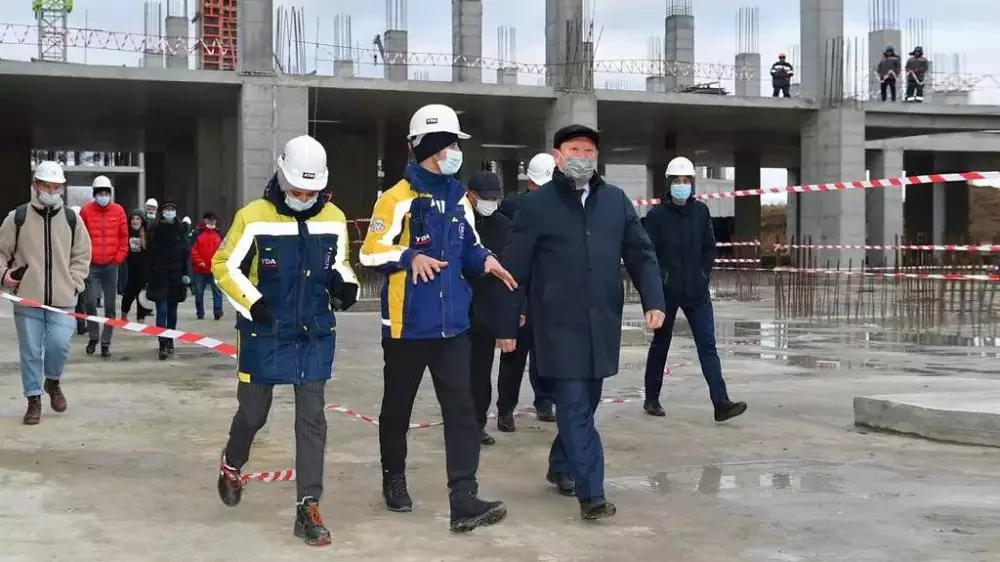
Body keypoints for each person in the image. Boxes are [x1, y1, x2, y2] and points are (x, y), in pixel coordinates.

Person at [495, 124, 666, 520]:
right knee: (573, 405)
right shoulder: (537, 206)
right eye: (574, 150)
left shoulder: (615, 201)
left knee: (585, 405)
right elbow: (513, 269)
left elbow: (641, 254)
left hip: (601, 321)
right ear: (558, 156)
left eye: (589, 152)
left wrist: (653, 300)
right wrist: (506, 326)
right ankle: (592, 494)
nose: (582, 158)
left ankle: (560, 465)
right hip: (557, 324)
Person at [359, 103, 516, 533]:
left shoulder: (458, 198)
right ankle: (394, 477)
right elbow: (369, 252)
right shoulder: (395, 199)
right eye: (450, 145)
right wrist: (409, 256)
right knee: (397, 409)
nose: (456, 153)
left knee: (462, 411)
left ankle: (463, 498)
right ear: (429, 146)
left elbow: (469, 246)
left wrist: (486, 260)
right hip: (407, 327)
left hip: (453, 327)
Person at [213, 135, 359, 547]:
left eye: (311, 192)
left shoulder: (333, 217)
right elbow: (223, 265)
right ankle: (232, 462)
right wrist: (253, 302)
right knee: (253, 414)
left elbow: (340, 264)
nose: (303, 198)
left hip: (314, 332)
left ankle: (308, 505)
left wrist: (345, 284)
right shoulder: (253, 217)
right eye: (297, 190)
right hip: (264, 331)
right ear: (282, 176)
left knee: (312, 419)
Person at [640, 156, 748, 423]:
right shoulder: (656, 216)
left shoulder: (701, 212)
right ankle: (651, 398)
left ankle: (721, 402)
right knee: (661, 343)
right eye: (676, 181)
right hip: (666, 293)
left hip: (697, 292)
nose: (681, 185)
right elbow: (647, 255)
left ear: (692, 183)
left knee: (707, 345)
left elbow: (709, 248)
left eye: (686, 180)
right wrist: (657, 286)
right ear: (668, 184)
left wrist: (702, 275)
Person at [0, 161, 91, 425]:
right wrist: (4, 275)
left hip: (63, 299)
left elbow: (82, 255)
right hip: (27, 298)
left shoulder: (72, 220)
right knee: (30, 351)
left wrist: (74, 283)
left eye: (56, 187)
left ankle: (52, 380)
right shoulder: (17, 218)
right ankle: (33, 399)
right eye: (46, 186)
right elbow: (1, 253)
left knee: (59, 346)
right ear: (35, 185)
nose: (51, 191)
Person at [494, 152, 556, 431]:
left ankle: (544, 401)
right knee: (514, 354)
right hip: (519, 288)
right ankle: (505, 409)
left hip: (547, 292)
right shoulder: (513, 207)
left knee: (546, 354)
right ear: (530, 183)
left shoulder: (560, 208)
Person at [464, 171, 512, 446]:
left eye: (495, 198)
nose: (490, 203)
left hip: (487, 310)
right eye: (485, 198)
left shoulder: (504, 226)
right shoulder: (459, 222)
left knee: (481, 372)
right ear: (471, 195)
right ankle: (460, 423)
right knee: (457, 372)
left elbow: (511, 271)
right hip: (458, 308)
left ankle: (477, 423)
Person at [78, 175, 129, 358]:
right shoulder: (86, 211)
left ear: (110, 194)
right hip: (92, 266)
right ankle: (93, 337)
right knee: (90, 302)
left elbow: (124, 237)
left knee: (110, 307)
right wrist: (84, 258)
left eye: (106, 193)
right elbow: (80, 237)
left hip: (111, 266)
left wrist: (118, 258)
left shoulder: (118, 211)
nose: (103, 196)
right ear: (94, 194)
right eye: (100, 193)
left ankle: (106, 342)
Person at [145, 201, 191, 360]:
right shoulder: (155, 230)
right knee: (162, 310)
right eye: (167, 209)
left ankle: (171, 338)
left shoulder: (181, 230)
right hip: (159, 276)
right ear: (162, 212)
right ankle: (162, 343)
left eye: (172, 209)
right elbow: (149, 255)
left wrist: (187, 274)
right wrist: (148, 276)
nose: (169, 212)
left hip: (176, 277)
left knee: (172, 312)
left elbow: (186, 254)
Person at [190, 211, 224, 320]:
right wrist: (199, 261)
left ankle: (218, 311)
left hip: (215, 269)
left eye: (214, 220)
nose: (212, 222)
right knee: (199, 293)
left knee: (217, 292)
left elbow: (223, 249)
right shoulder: (197, 234)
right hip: (200, 269)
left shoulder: (219, 234)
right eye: (210, 220)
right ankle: (200, 313)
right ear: (205, 220)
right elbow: (192, 250)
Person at [120, 210, 153, 322]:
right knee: (129, 292)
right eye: (133, 219)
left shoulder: (147, 232)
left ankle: (141, 317)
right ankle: (124, 314)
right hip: (130, 266)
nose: (135, 221)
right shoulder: (127, 231)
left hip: (144, 267)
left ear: (142, 220)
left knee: (141, 292)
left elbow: (151, 250)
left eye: (138, 219)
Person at [70, 205, 88, 335]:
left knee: (80, 298)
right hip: (71, 270)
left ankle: (80, 324)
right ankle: (80, 324)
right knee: (79, 298)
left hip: (77, 269)